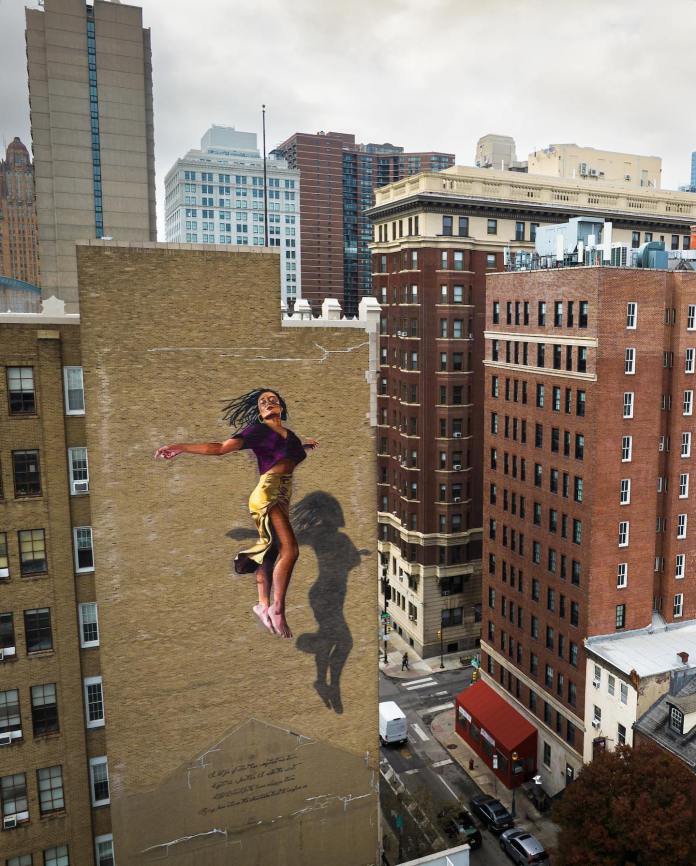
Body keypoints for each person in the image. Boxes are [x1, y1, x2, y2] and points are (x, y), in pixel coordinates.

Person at [154, 388, 317, 638]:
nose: (269, 402)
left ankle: (262, 606)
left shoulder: (291, 437)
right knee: (290, 550)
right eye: (263, 402)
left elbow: (290, 455)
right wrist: (180, 447)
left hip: (284, 496)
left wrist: (305, 445)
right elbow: (219, 448)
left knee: (270, 549)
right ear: (259, 412)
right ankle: (278, 609)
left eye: (273, 400)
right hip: (267, 493)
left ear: (281, 407)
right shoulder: (256, 432)